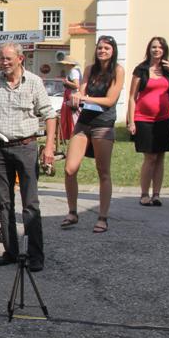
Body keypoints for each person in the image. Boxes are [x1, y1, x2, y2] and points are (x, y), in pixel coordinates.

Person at [0, 43, 57, 271]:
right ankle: (11, 251)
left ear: (20, 59)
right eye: (1, 59)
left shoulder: (34, 82)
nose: (3, 63)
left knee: (30, 204)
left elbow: (50, 115)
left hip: (26, 146)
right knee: (4, 203)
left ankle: (36, 256)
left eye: (8, 59)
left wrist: (49, 147)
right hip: (1, 148)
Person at [62, 36, 126, 234]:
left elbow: (110, 100)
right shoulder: (90, 69)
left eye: (106, 48)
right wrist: (76, 99)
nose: (102, 51)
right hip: (84, 122)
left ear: (113, 51)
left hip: (103, 124)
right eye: (100, 48)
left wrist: (86, 97)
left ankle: (102, 217)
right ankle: (72, 212)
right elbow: (81, 91)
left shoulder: (118, 70)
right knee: (69, 169)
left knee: (102, 171)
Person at [125, 37, 169, 206]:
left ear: (164, 50)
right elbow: (132, 97)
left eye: (160, 47)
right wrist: (131, 121)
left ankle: (157, 194)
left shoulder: (168, 69)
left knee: (160, 157)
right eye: (154, 47)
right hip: (144, 119)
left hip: (164, 118)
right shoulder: (141, 69)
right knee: (150, 157)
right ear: (149, 49)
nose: (157, 50)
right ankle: (144, 193)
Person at [58, 58, 82, 146]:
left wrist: (66, 82)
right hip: (72, 96)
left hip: (72, 96)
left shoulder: (73, 71)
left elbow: (76, 85)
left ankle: (73, 136)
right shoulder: (76, 71)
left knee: (72, 118)